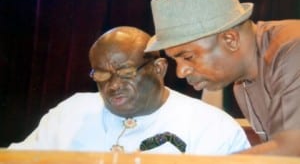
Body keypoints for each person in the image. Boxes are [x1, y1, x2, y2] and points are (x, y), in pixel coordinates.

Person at [8, 26, 249, 155]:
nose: (113, 86)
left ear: (158, 68)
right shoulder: (71, 112)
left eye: (125, 73)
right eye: (102, 75)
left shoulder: (211, 127)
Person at [145, 0, 300, 156]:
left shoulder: (292, 47)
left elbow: (291, 150)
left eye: (188, 57)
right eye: (176, 61)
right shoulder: (241, 84)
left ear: (230, 39)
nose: (181, 72)